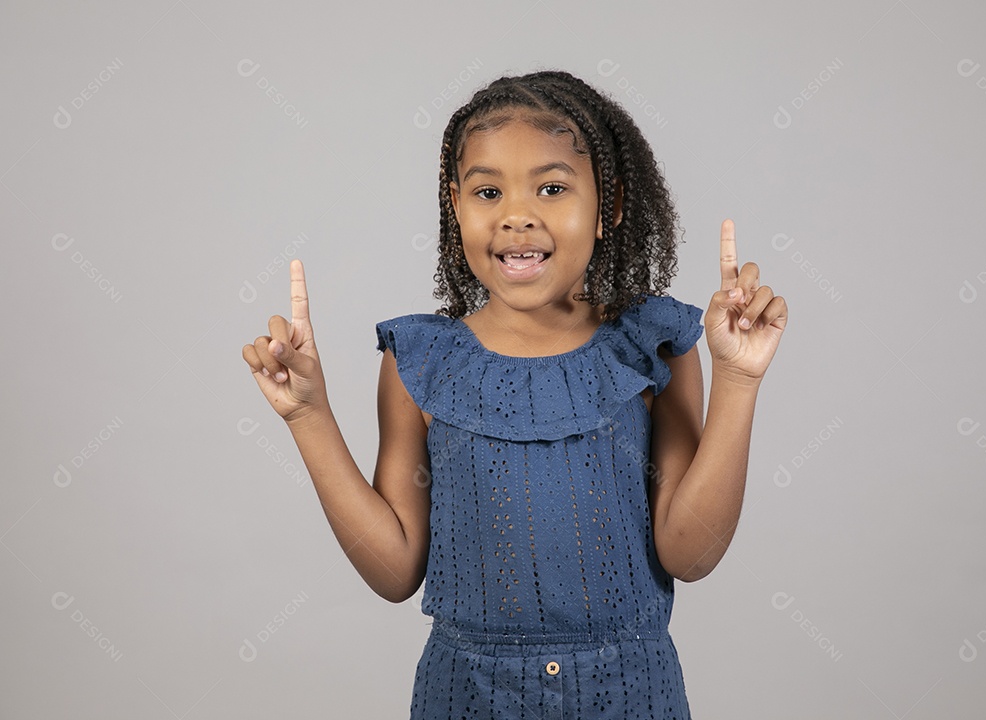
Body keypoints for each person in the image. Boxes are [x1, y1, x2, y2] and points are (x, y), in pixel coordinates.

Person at [242, 69, 787, 718]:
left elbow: (689, 554)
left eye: (552, 188)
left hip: (630, 693)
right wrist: (308, 415)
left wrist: (739, 380)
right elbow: (393, 571)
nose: (517, 215)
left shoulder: (654, 348)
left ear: (608, 203)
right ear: (456, 204)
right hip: (467, 696)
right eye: (488, 191)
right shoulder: (421, 363)